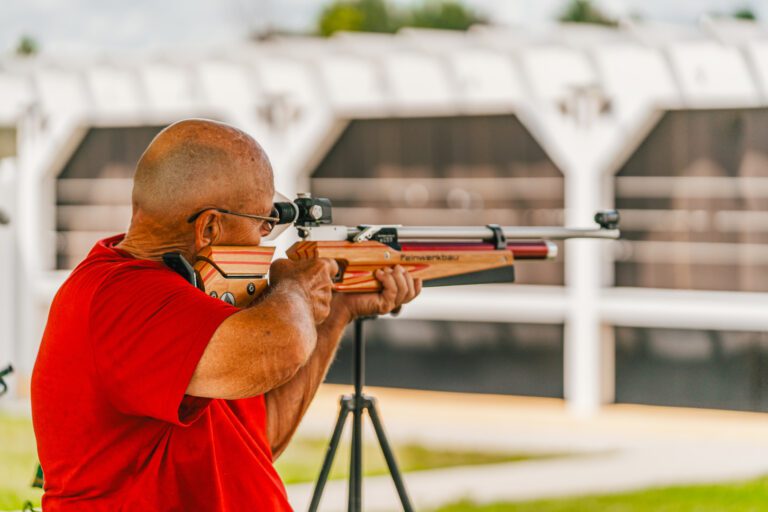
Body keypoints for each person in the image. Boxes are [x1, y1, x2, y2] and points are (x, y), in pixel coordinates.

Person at [31, 119, 421, 511]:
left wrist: (337, 311)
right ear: (210, 228)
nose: (264, 237)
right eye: (262, 223)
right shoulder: (122, 298)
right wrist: (296, 289)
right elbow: (282, 347)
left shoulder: (200, 299)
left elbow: (260, 437)